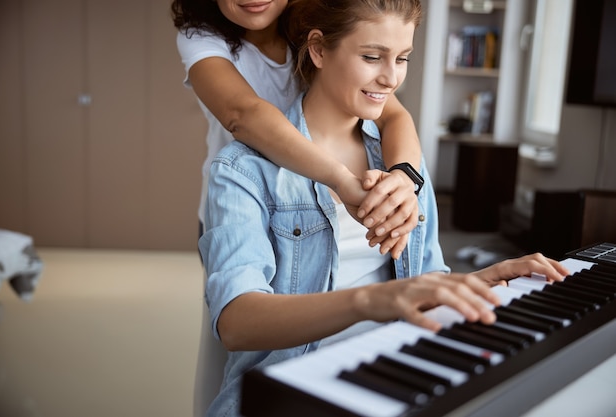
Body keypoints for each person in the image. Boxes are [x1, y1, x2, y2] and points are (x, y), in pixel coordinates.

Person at [199, 0, 570, 415]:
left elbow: (420, 287)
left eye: (403, 59)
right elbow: (236, 322)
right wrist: (372, 299)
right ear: (319, 50)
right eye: (372, 57)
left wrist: (481, 281)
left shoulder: (403, 167)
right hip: (288, 397)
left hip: (393, 380)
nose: (391, 77)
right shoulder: (243, 172)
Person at [171, 0, 425, 259]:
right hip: (241, 201)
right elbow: (243, 114)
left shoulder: (314, 22)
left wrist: (405, 178)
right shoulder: (202, 38)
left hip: (316, 198)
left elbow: (394, 115)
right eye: (371, 57)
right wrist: (340, 180)